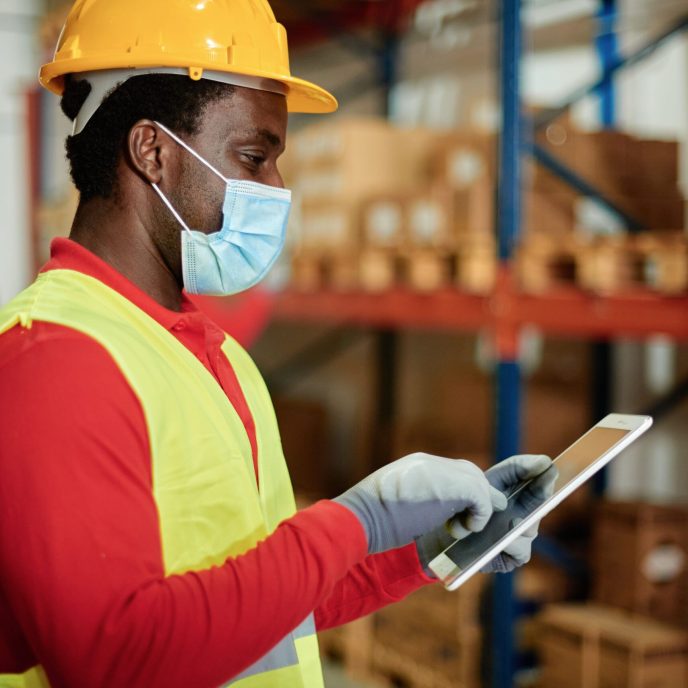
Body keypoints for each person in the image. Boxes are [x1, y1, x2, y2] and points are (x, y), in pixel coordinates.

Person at [0, 1, 556, 686]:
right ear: (153, 152)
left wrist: (423, 545)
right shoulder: (56, 358)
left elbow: (255, 601)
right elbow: (112, 658)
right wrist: (353, 522)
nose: (276, 189)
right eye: (254, 157)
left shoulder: (211, 354)